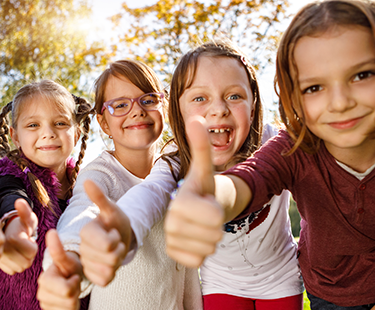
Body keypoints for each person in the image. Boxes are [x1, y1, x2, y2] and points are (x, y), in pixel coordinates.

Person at [164, 1, 375, 309]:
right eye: (314, 87)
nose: (340, 102)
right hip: (330, 292)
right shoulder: (296, 148)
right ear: (292, 96)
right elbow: (252, 178)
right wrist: (213, 195)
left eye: (362, 75)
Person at [78, 39, 303, 309]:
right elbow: (151, 192)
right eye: (200, 98)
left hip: (280, 278)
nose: (218, 108)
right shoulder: (176, 160)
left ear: (253, 104)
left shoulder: (274, 142)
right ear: (179, 112)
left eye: (234, 96)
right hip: (222, 284)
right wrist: (124, 225)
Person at [37, 59, 202, 310]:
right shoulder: (100, 174)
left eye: (148, 100)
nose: (137, 111)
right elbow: (83, 211)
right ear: (104, 123)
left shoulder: (178, 166)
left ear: (165, 108)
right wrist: (69, 259)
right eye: (121, 105)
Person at [0, 79, 92, 310]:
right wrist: (13, 224)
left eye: (60, 123)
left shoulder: (89, 186)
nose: (48, 133)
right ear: (15, 135)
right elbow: (9, 196)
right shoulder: (9, 175)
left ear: (77, 132)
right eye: (33, 125)